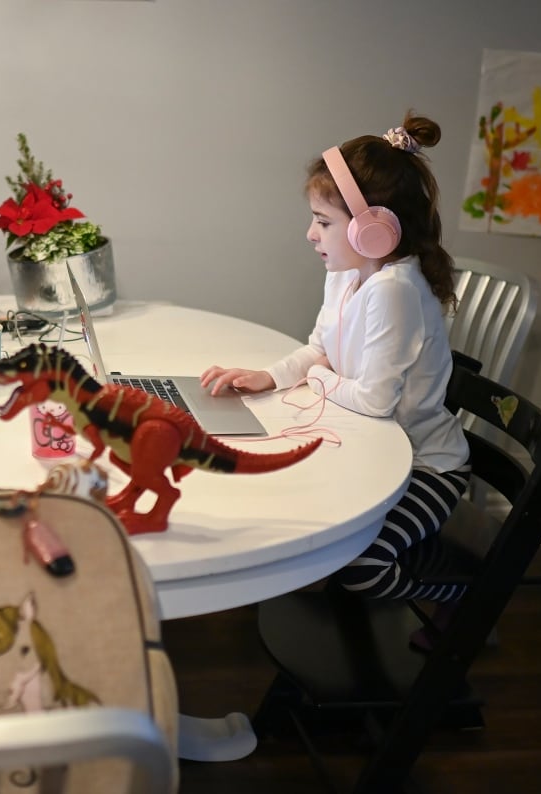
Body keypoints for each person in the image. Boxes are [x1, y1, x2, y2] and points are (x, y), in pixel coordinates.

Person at [201, 112, 471, 611]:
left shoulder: (395, 291)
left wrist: (319, 378)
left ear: (373, 230)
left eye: (323, 222)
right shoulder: (347, 273)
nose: (310, 234)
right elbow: (319, 347)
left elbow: (373, 400)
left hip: (428, 468)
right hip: (376, 451)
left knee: (361, 567)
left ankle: (463, 600)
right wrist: (271, 376)